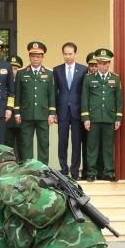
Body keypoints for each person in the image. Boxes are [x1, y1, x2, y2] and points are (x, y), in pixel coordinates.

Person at [81, 48, 123, 182]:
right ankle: (91, 172)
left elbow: (119, 99)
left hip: (109, 118)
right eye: (99, 63)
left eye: (105, 63)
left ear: (109, 63)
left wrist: (118, 117)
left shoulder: (115, 79)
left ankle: (108, 172)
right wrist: (86, 118)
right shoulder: (89, 79)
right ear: (97, 63)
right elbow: (84, 99)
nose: (102, 66)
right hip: (93, 118)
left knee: (108, 146)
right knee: (92, 146)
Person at [16, 41, 56, 166]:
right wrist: (16, 112)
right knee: (25, 143)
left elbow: (51, 94)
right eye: (33, 56)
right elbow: (18, 94)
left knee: (43, 142)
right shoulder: (21, 73)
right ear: (29, 56)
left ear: (42, 57)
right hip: (26, 113)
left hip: (43, 113)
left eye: (38, 56)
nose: (35, 59)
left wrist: (52, 113)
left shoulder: (49, 74)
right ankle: (28, 167)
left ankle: (43, 169)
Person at [53, 42, 85, 179]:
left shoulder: (83, 69)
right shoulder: (57, 69)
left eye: (70, 54)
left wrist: (85, 113)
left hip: (77, 111)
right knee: (62, 142)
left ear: (76, 54)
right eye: (65, 54)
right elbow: (54, 92)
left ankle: (75, 170)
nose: (68, 56)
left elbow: (85, 93)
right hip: (62, 110)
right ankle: (64, 169)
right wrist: (53, 111)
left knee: (77, 142)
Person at [5, 55, 25, 159]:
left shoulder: (24, 81)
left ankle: (23, 168)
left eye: (16, 68)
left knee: (23, 146)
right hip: (7, 120)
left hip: (21, 118)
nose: (13, 71)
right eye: (11, 68)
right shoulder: (3, 82)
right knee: (7, 147)